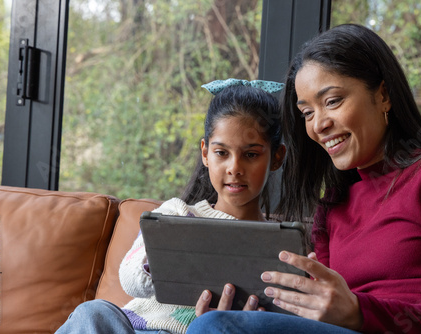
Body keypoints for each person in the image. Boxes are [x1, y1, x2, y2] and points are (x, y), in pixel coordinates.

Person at [186, 24, 421, 333]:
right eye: (307, 113)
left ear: (383, 95)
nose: (319, 125)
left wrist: (359, 312)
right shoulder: (334, 205)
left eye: (332, 101)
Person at [54, 78, 286, 334]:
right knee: (93, 312)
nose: (234, 168)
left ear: (276, 157)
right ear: (205, 153)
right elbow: (130, 278)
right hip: (129, 329)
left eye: (251, 154)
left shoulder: (280, 248)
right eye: (222, 153)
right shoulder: (175, 213)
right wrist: (172, 262)